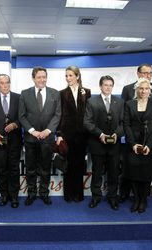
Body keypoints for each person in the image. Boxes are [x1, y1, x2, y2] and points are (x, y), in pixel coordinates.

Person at [19, 66, 61, 206]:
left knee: (45, 168)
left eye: (44, 77)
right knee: (30, 168)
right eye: (39, 77)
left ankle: (44, 193)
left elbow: (57, 115)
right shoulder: (24, 94)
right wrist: (32, 131)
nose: (42, 79)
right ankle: (31, 194)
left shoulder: (55, 93)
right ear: (33, 78)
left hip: (48, 138)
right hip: (31, 138)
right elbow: (22, 116)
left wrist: (48, 130)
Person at [120, 63, 152, 202]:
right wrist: (132, 144)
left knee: (146, 174)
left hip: (148, 143)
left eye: (146, 88)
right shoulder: (129, 100)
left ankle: (143, 201)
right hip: (133, 143)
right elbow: (126, 123)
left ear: (150, 90)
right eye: (141, 88)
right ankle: (135, 199)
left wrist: (150, 144)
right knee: (132, 173)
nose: (144, 90)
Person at [84, 75, 124, 210]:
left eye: (110, 85)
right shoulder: (91, 101)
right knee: (96, 172)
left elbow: (123, 123)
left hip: (114, 145)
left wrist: (116, 134)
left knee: (113, 172)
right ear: (100, 86)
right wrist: (100, 134)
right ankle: (96, 197)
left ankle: (113, 197)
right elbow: (87, 122)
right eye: (105, 85)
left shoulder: (120, 102)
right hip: (97, 143)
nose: (108, 87)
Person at [56, 66, 91, 202]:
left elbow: (88, 114)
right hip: (67, 135)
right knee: (68, 165)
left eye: (70, 75)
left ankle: (79, 195)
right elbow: (60, 115)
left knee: (79, 165)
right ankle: (68, 196)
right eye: (66, 76)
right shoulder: (62, 93)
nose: (68, 78)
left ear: (77, 76)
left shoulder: (86, 92)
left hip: (82, 135)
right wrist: (59, 134)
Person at [0, 74, 22, 208]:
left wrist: (15, 124)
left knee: (14, 169)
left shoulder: (19, 98)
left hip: (15, 140)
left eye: (7, 82)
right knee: (0, 169)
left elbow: (23, 117)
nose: (5, 85)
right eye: (2, 83)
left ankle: (14, 196)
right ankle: (4, 194)